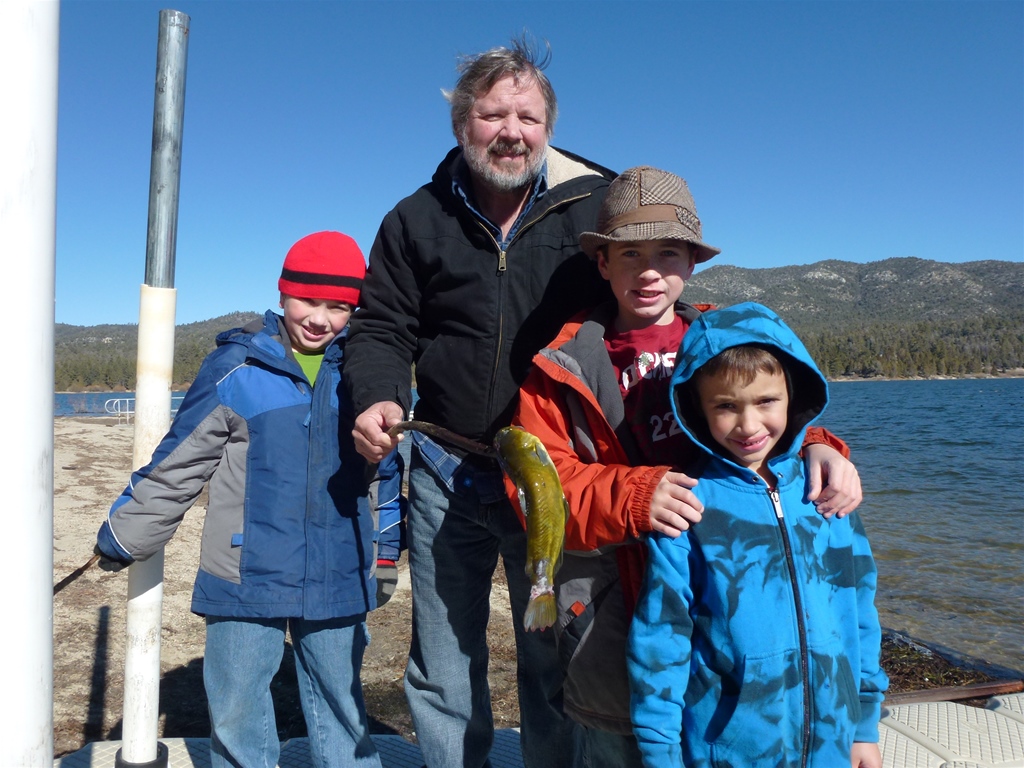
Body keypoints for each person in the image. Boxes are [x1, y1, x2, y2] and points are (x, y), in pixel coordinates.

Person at [508, 166, 862, 766]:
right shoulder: (558, 368)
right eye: (630, 254)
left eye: (667, 253)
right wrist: (635, 496)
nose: (648, 271)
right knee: (617, 742)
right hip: (610, 614)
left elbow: (774, 413)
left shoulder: (730, 339)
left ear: (692, 262)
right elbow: (539, 491)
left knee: (716, 735)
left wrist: (820, 445)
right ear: (602, 263)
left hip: (728, 611)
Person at [343, 36, 617, 768]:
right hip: (445, 468)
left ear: (548, 128)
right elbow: (381, 325)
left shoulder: (595, 209)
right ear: (462, 123)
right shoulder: (415, 218)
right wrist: (376, 395)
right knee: (443, 661)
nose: (511, 132)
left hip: (555, 473)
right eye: (494, 115)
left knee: (556, 656)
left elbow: (654, 312)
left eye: (528, 117)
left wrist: (803, 436)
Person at [94, 231, 403, 768]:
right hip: (242, 575)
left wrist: (385, 556)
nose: (320, 319)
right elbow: (181, 461)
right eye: (307, 300)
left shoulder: (367, 375)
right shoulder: (235, 366)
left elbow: (389, 476)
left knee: (342, 708)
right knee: (237, 711)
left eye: (338, 307)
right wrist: (125, 534)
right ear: (283, 294)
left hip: (338, 573)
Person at [627, 301, 887, 767]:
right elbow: (660, 643)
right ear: (696, 408)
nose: (748, 426)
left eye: (766, 402)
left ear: (793, 395)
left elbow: (860, 615)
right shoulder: (687, 505)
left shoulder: (827, 493)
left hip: (833, 741)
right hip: (729, 750)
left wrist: (864, 724)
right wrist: (660, 753)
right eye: (726, 406)